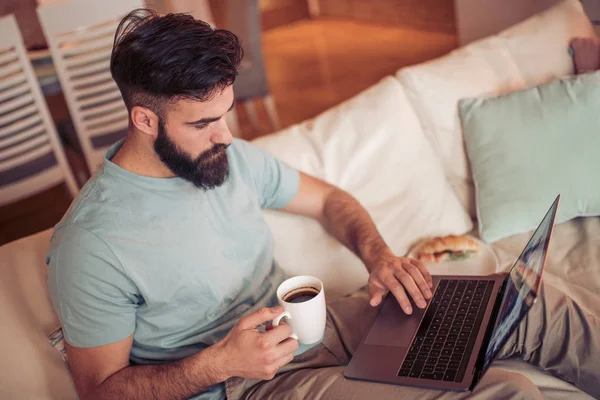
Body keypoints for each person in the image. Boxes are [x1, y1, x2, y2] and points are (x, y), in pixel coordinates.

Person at [46, 9, 600, 400]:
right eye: (204, 123)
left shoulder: (227, 158)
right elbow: (100, 391)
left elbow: (332, 201)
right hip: (248, 383)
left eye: (227, 113)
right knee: (511, 392)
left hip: (320, 323)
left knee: (526, 302)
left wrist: (379, 257)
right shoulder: (92, 243)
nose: (225, 136)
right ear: (144, 120)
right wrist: (220, 362)